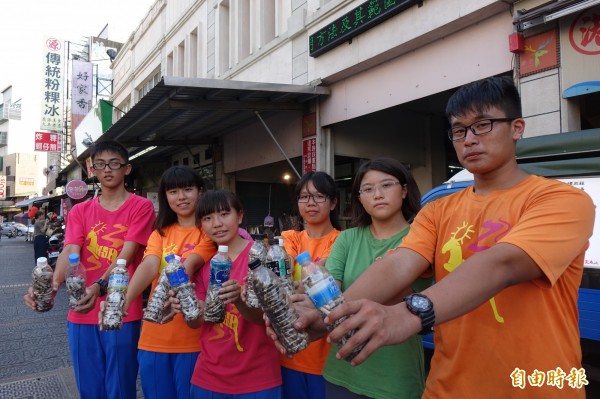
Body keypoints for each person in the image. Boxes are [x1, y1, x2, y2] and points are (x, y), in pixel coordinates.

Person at [324, 76, 595, 398]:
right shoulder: (438, 210)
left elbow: (503, 263)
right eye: (459, 130)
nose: (469, 139)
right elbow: (399, 264)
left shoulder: (561, 200)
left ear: (517, 128)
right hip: (447, 387)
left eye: (483, 125)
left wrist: (409, 313)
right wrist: (333, 314)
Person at [24, 140, 156, 399]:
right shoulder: (80, 211)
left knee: (120, 386)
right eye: (100, 165)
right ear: (91, 169)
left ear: (126, 169)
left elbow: (126, 256)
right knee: (89, 387)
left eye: (114, 164)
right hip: (81, 308)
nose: (107, 170)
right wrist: (51, 286)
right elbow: (71, 250)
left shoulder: (141, 206)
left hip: (121, 309)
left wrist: (100, 286)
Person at [323, 158, 427, 399]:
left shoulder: (421, 237)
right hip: (341, 371)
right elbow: (328, 293)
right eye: (368, 189)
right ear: (359, 198)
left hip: (394, 378)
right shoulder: (347, 239)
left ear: (404, 190)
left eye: (386, 185)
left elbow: (427, 301)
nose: (377, 194)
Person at [113, 165, 216, 399]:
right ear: (165, 196)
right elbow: (149, 265)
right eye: (173, 192)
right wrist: (125, 301)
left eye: (188, 189)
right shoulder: (159, 232)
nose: (181, 197)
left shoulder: (210, 231)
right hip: (154, 336)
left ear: (200, 191)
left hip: (194, 339)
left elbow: (189, 265)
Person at [172, 190, 282, 399]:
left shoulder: (263, 257)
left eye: (224, 214)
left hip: (257, 378)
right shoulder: (204, 266)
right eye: (207, 218)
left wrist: (239, 301)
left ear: (240, 216)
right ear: (201, 225)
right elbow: (199, 322)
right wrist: (187, 309)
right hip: (208, 378)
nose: (217, 223)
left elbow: (271, 317)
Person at [280, 171, 342, 399]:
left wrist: (293, 284)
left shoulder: (341, 241)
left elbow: (318, 274)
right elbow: (283, 268)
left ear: (333, 202)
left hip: (326, 356)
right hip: (291, 351)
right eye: (304, 197)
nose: (311, 203)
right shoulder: (291, 237)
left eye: (319, 197)